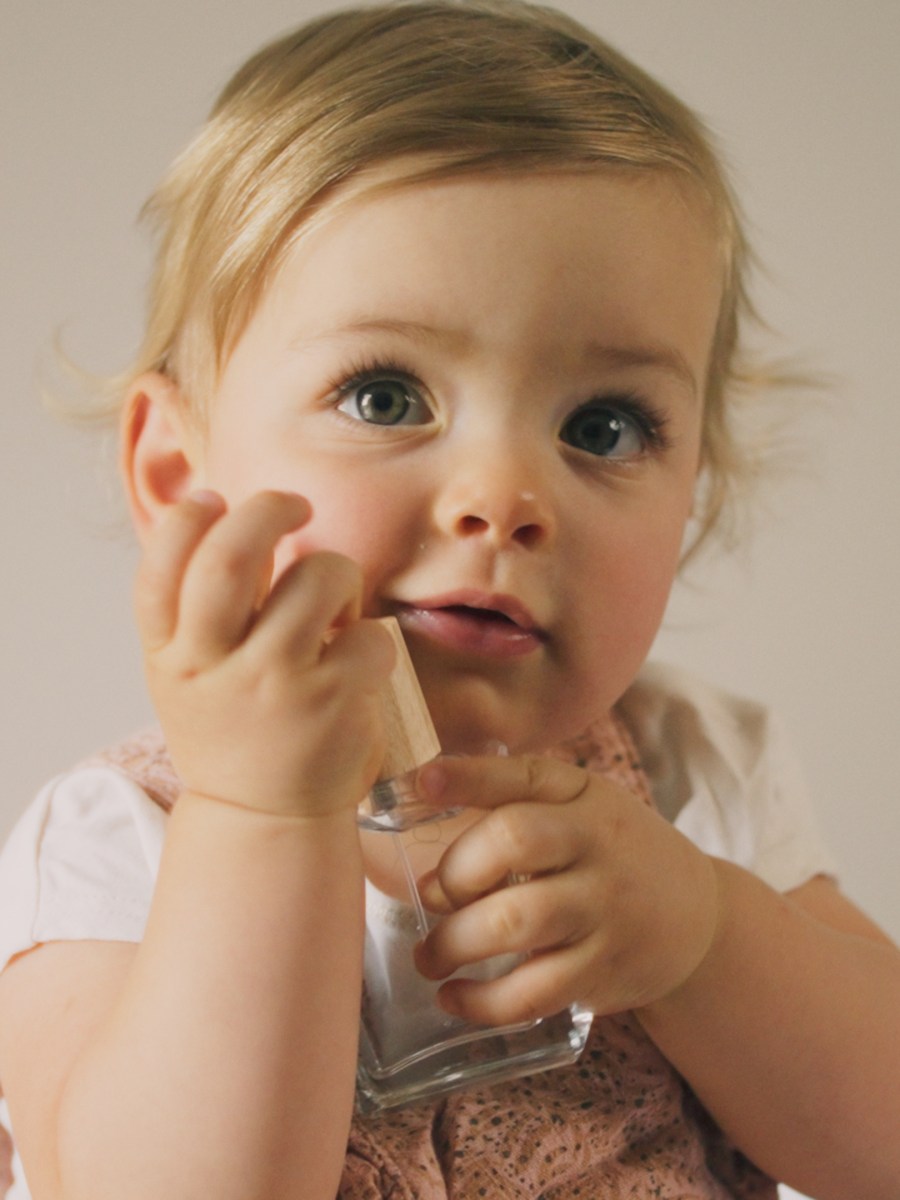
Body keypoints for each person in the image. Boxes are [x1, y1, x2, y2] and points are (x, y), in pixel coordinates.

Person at [0, 2, 898, 1197]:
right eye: (385, 396)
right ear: (179, 477)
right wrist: (263, 816)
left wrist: (705, 941)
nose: (507, 498)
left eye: (603, 425)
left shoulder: (694, 777)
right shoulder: (124, 837)